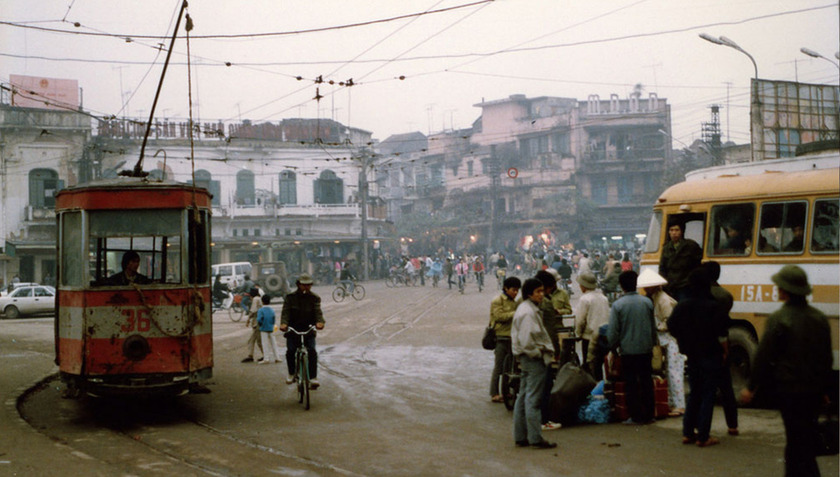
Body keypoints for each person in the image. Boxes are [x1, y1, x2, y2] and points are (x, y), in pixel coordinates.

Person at [740, 265, 832, 477]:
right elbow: (825, 359)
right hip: (814, 391)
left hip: (789, 391)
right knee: (803, 438)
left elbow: (763, 357)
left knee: (795, 442)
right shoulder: (819, 318)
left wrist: (751, 387)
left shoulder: (779, 319)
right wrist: (825, 389)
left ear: (786, 290)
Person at [667, 268, 728, 448]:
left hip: (691, 354)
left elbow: (671, 325)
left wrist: (683, 339)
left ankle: (687, 433)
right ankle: (703, 436)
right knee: (708, 394)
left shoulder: (683, 304)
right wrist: (725, 352)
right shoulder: (713, 305)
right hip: (711, 354)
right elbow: (722, 334)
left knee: (695, 393)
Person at [511, 278, 557, 449]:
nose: (541, 294)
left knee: (523, 396)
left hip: (526, 358)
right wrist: (538, 354)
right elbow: (527, 341)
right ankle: (535, 438)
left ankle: (521, 436)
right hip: (533, 358)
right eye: (538, 292)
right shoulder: (528, 313)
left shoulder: (527, 309)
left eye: (542, 291)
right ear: (529, 293)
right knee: (533, 399)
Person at [607, 271, 657, 425]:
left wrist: (613, 348)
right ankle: (649, 414)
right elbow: (652, 327)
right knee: (646, 381)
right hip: (646, 349)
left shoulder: (618, 305)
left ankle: (635, 416)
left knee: (631, 383)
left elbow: (613, 331)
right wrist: (653, 344)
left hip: (628, 350)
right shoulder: (647, 302)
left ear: (621, 286)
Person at [637, 269, 684, 417]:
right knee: (668, 373)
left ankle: (680, 405)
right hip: (663, 341)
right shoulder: (655, 298)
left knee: (674, 373)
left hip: (671, 341)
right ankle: (671, 403)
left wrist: (658, 327)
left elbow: (671, 322)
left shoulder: (664, 300)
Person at [701, 261, 739, 436]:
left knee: (705, 390)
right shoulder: (725, 295)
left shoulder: (699, 295)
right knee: (726, 388)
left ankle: (702, 429)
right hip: (721, 344)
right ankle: (732, 425)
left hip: (703, 345)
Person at [280, 274, 326, 389]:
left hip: (308, 329)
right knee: (290, 351)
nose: (306, 287)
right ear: (298, 285)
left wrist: (320, 322)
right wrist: (284, 324)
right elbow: (285, 312)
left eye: (309, 285)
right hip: (293, 329)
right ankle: (291, 373)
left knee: (312, 351)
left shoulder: (314, 298)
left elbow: (318, 312)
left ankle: (313, 377)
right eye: (304, 285)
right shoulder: (290, 297)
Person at [489, 276, 522, 403]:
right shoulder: (498, 300)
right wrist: (516, 313)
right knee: (499, 366)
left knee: (510, 367)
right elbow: (499, 316)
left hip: (513, 337)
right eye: (513, 290)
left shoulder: (515, 302)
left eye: (517, 290)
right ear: (505, 288)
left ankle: (506, 392)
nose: (515, 293)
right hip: (501, 337)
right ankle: (494, 393)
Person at [574, 271, 610, 380]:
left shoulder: (585, 299)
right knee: (599, 364)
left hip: (589, 338)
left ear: (583, 286)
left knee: (590, 365)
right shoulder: (603, 298)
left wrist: (577, 334)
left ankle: (592, 390)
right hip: (604, 336)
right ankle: (600, 388)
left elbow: (580, 320)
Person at [659, 222, 702, 301]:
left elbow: (697, 265)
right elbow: (662, 268)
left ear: (681, 231)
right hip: (670, 287)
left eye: (676, 230)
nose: (674, 233)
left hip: (685, 286)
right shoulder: (666, 248)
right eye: (671, 230)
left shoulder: (691, 246)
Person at [256, 294, 281, 364]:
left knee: (265, 344)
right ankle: (277, 357)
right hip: (271, 328)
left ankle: (266, 358)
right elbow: (273, 319)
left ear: (262, 301)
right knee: (274, 343)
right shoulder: (272, 310)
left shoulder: (261, 310)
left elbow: (259, 319)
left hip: (263, 328)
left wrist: (261, 325)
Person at [241, 288, 264, 363]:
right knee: (253, 340)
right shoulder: (258, 298)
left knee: (258, 341)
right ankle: (251, 355)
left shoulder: (255, 299)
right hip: (258, 322)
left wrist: (248, 319)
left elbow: (253, 310)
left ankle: (264, 355)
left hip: (257, 323)